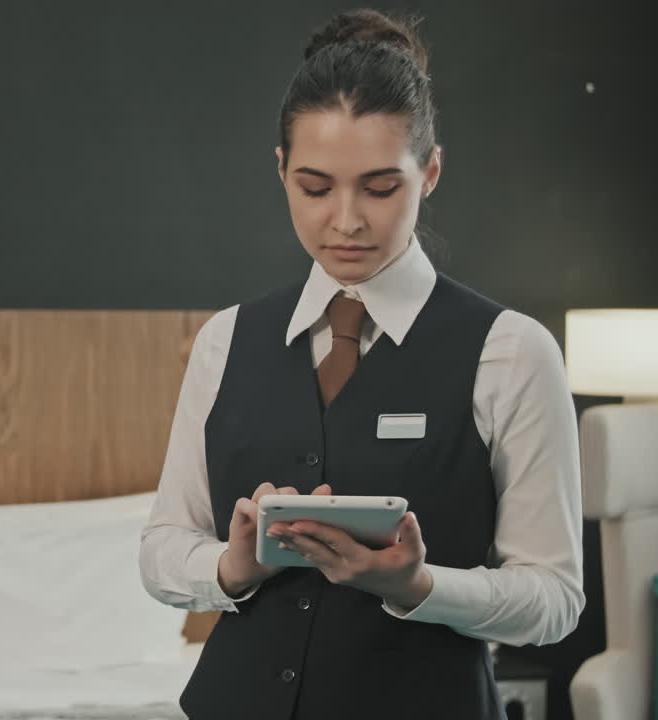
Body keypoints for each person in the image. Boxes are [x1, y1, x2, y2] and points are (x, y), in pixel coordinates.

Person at [138, 9, 584, 720]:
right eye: (315, 188)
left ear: (430, 172)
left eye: (380, 188)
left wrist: (417, 586)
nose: (346, 221)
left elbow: (554, 600)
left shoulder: (512, 352)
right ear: (281, 171)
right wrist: (233, 566)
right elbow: (163, 549)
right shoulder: (225, 340)